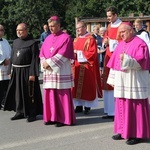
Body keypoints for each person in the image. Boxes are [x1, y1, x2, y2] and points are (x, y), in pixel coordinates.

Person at [107, 22, 150, 145]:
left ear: (131, 30)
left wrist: (125, 59)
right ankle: (122, 131)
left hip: (134, 81)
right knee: (121, 104)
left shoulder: (140, 44)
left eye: (123, 32)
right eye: (119, 33)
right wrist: (112, 79)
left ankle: (137, 134)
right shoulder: (120, 45)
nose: (121, 35)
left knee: (134, 106)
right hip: (121, 82)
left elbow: (140, 63)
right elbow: (114, 65)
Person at [39, 16, 76, 127]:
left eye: (53, 26)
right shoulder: (47, 38)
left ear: (59, 25)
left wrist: (49, 63)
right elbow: (42, 53)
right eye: (49, 26)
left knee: (61, 94)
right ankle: (51, 117)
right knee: (50, 93)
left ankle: (63, 118)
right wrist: (44, 63)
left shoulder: (67, 38)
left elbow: (64, 54)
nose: (51, 28)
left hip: (60, 70)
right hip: (49, 71)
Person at [4, 23, 43, 122]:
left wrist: (33, 73)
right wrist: (10, 70)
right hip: (16, 71)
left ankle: (32, 113)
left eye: (20, 30)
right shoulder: (16, 42)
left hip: (27, 71)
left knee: (29, 92)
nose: (18, 32)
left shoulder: (32, 43)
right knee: (18, 92)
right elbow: (12, 57)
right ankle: (20, 111)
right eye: (17, 30)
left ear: (26, 30)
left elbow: (35, 60)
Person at [72, 21, 103, 114]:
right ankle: (78, 106)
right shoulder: (76, 40)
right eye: (76, 29)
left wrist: (78, 53)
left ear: (85, 27)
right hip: (76, 66)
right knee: (76, 87)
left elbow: (92, 53)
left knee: (87, 87)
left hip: (86, 66)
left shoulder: (90, 39)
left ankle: (87, 106)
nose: (78, 30)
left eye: (79, 28)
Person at [101, 6, 122, 120]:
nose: (108, 18)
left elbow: (124, 41)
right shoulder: (109, 26)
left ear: (115, 15)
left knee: (115, 83)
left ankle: (116, 111)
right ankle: (109, 111)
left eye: (110, 16)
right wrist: (105, 41)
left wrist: (111, 42)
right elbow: (106, 38)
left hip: (117, 57)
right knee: (107, 84)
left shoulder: (122, 26)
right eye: (107, 16)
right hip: (108, 56)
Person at [0, 24, 11, 110]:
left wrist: (9, 60)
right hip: (0, 66)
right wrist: (3, 61)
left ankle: (5, 102)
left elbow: (10, 51)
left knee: (6, 85)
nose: (1, 32)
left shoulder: (5, 41)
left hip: (7, 67)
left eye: (2, 30)